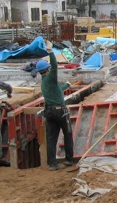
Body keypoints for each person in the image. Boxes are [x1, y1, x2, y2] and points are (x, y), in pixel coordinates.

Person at [37, 41, 74, 171]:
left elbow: (57, 90)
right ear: (46, 70)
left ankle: (52, 164)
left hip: (49, 112)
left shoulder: (44, 82)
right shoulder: (50, 77)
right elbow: (54, 66)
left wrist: (67, 85)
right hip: (60, 111)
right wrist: (50, 51)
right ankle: (69, 159)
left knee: (51, 138)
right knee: (68, 134)